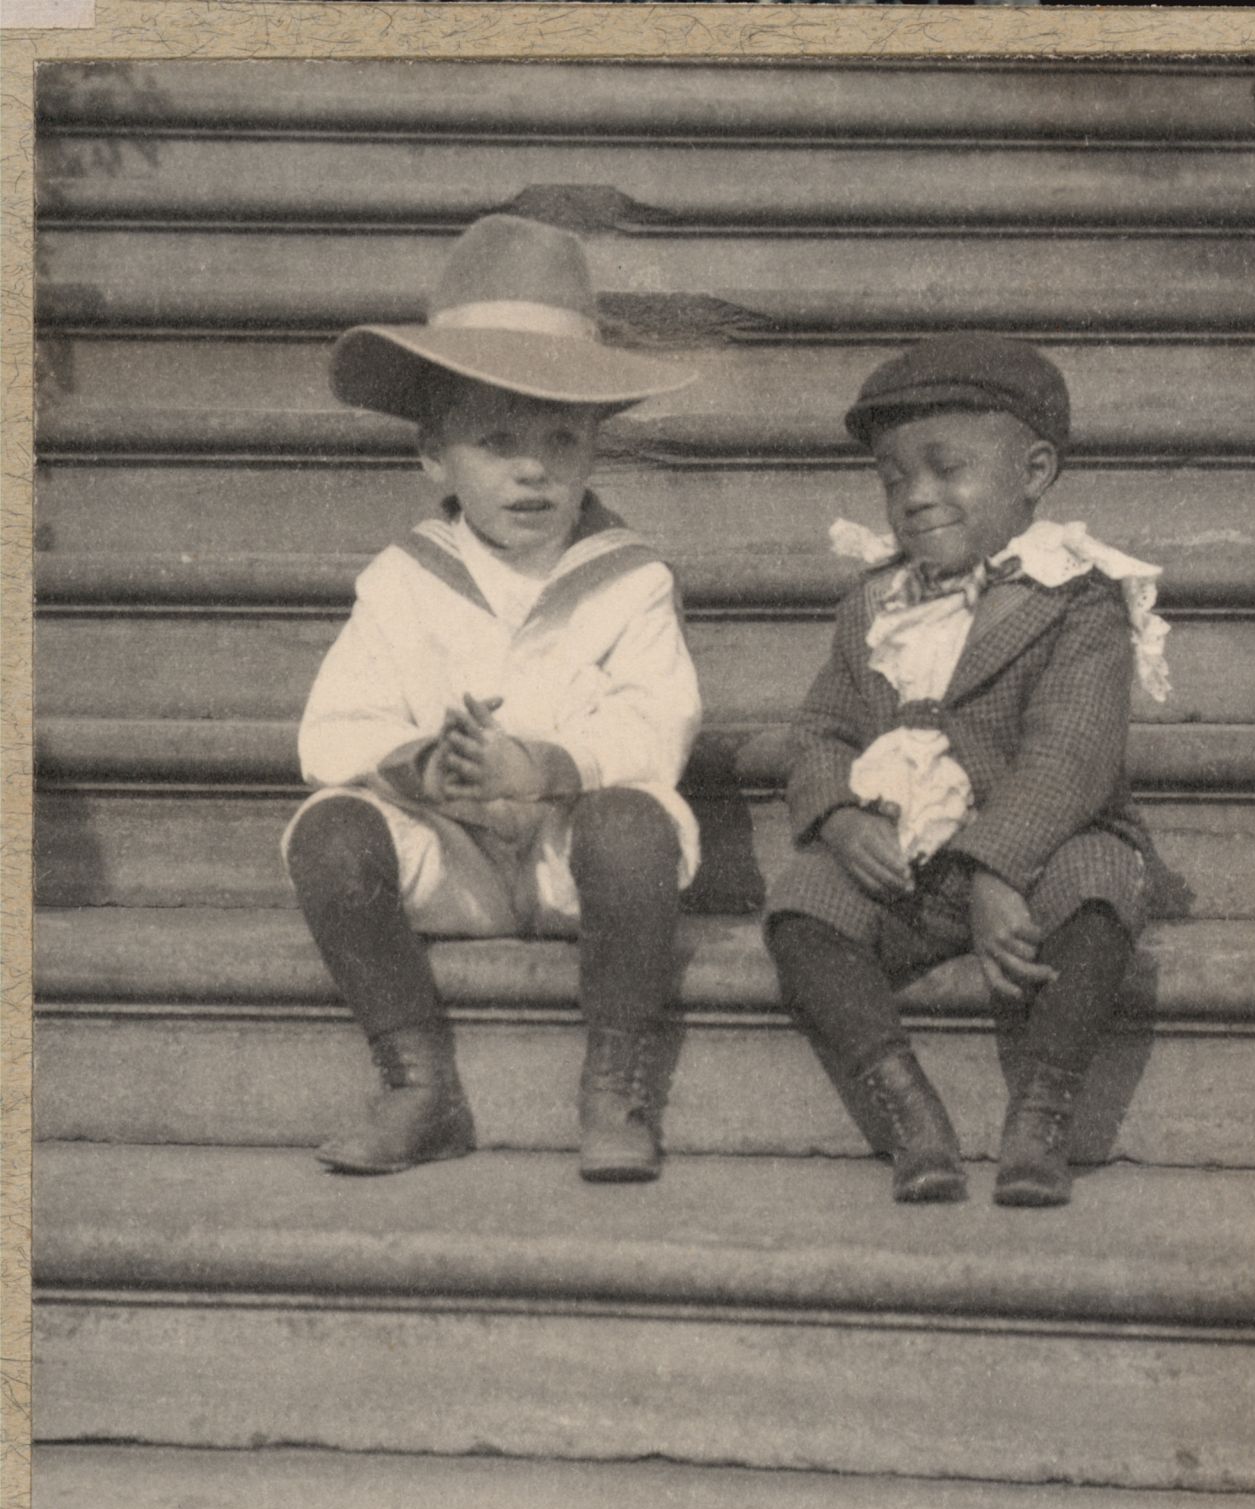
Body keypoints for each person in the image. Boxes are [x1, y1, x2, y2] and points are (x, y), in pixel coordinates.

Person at [282, 215, 701, 1183]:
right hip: (453, 861)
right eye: (497, 440)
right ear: (434, 455)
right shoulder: (401, 580)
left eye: (561, 438)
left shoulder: (632, 578)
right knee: (330, 833)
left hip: (569, 859)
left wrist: (544, 765)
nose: (532, 468)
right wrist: (419, 768)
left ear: (594, 449)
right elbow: (334, 727)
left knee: (636, 825)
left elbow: (655, 720)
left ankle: (615, 1085)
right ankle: (418, 1083)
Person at [764, 333, 1171, 1206]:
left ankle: (1042, 1111)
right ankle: (906, 1107)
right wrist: (839, 814)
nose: (915, 497)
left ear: (1033, 472)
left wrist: (995, 869)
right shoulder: (875, 603)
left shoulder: (1076, 598)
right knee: (802, 906)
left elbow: (1069, 756)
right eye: (892, 479)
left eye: (946, 469)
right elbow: (820, 731)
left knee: (1098, 888)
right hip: (911, 864)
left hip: (1041, 850)